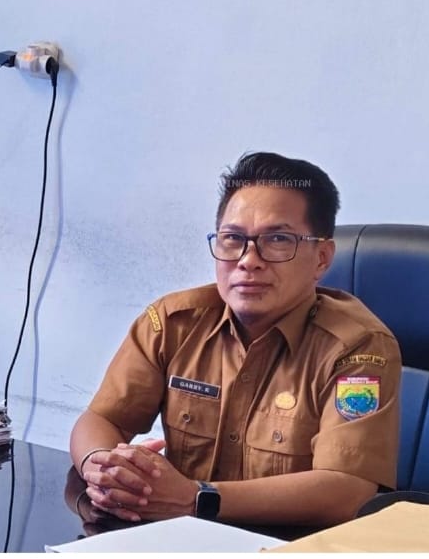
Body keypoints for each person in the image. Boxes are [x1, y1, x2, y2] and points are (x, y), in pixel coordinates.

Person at [69, 151, 401, 527]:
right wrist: (101, 467)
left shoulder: (358, 348)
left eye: (277, 239)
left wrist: (197, 498)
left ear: (321, 258)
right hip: (178, 537)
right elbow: (101, 418)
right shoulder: (173, 324)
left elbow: (348, 491)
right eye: (233, 239)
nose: (248, 260)